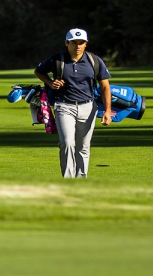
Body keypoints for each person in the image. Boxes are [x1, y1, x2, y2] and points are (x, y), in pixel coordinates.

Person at [35, 28, 114, 178]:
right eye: (73, 42)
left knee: (83, 147)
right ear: (66, 43)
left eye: (81, 43)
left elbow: (105, 86)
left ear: (86, 44)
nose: (77, 46)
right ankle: (68, 179)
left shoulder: (94, 61)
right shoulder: (57, 59)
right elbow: (38, 71)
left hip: (88, 107)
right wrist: (51, 83)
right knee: (67, 142)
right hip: (64, 106)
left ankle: (81, 179)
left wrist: (108, 111)